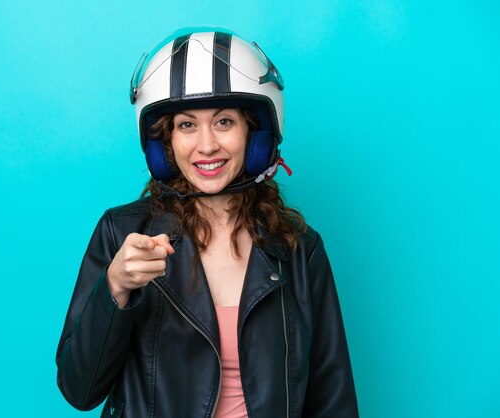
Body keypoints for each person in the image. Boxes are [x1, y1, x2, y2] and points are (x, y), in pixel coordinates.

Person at [56, 28, 359, 418]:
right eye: (186, 125)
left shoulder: (299, 249)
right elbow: (79, 391)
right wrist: (114, 289)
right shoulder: (123, 234)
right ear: (165, 143)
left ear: (256, 134)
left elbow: (333, 398)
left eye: (224, 122)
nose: (206, 145)